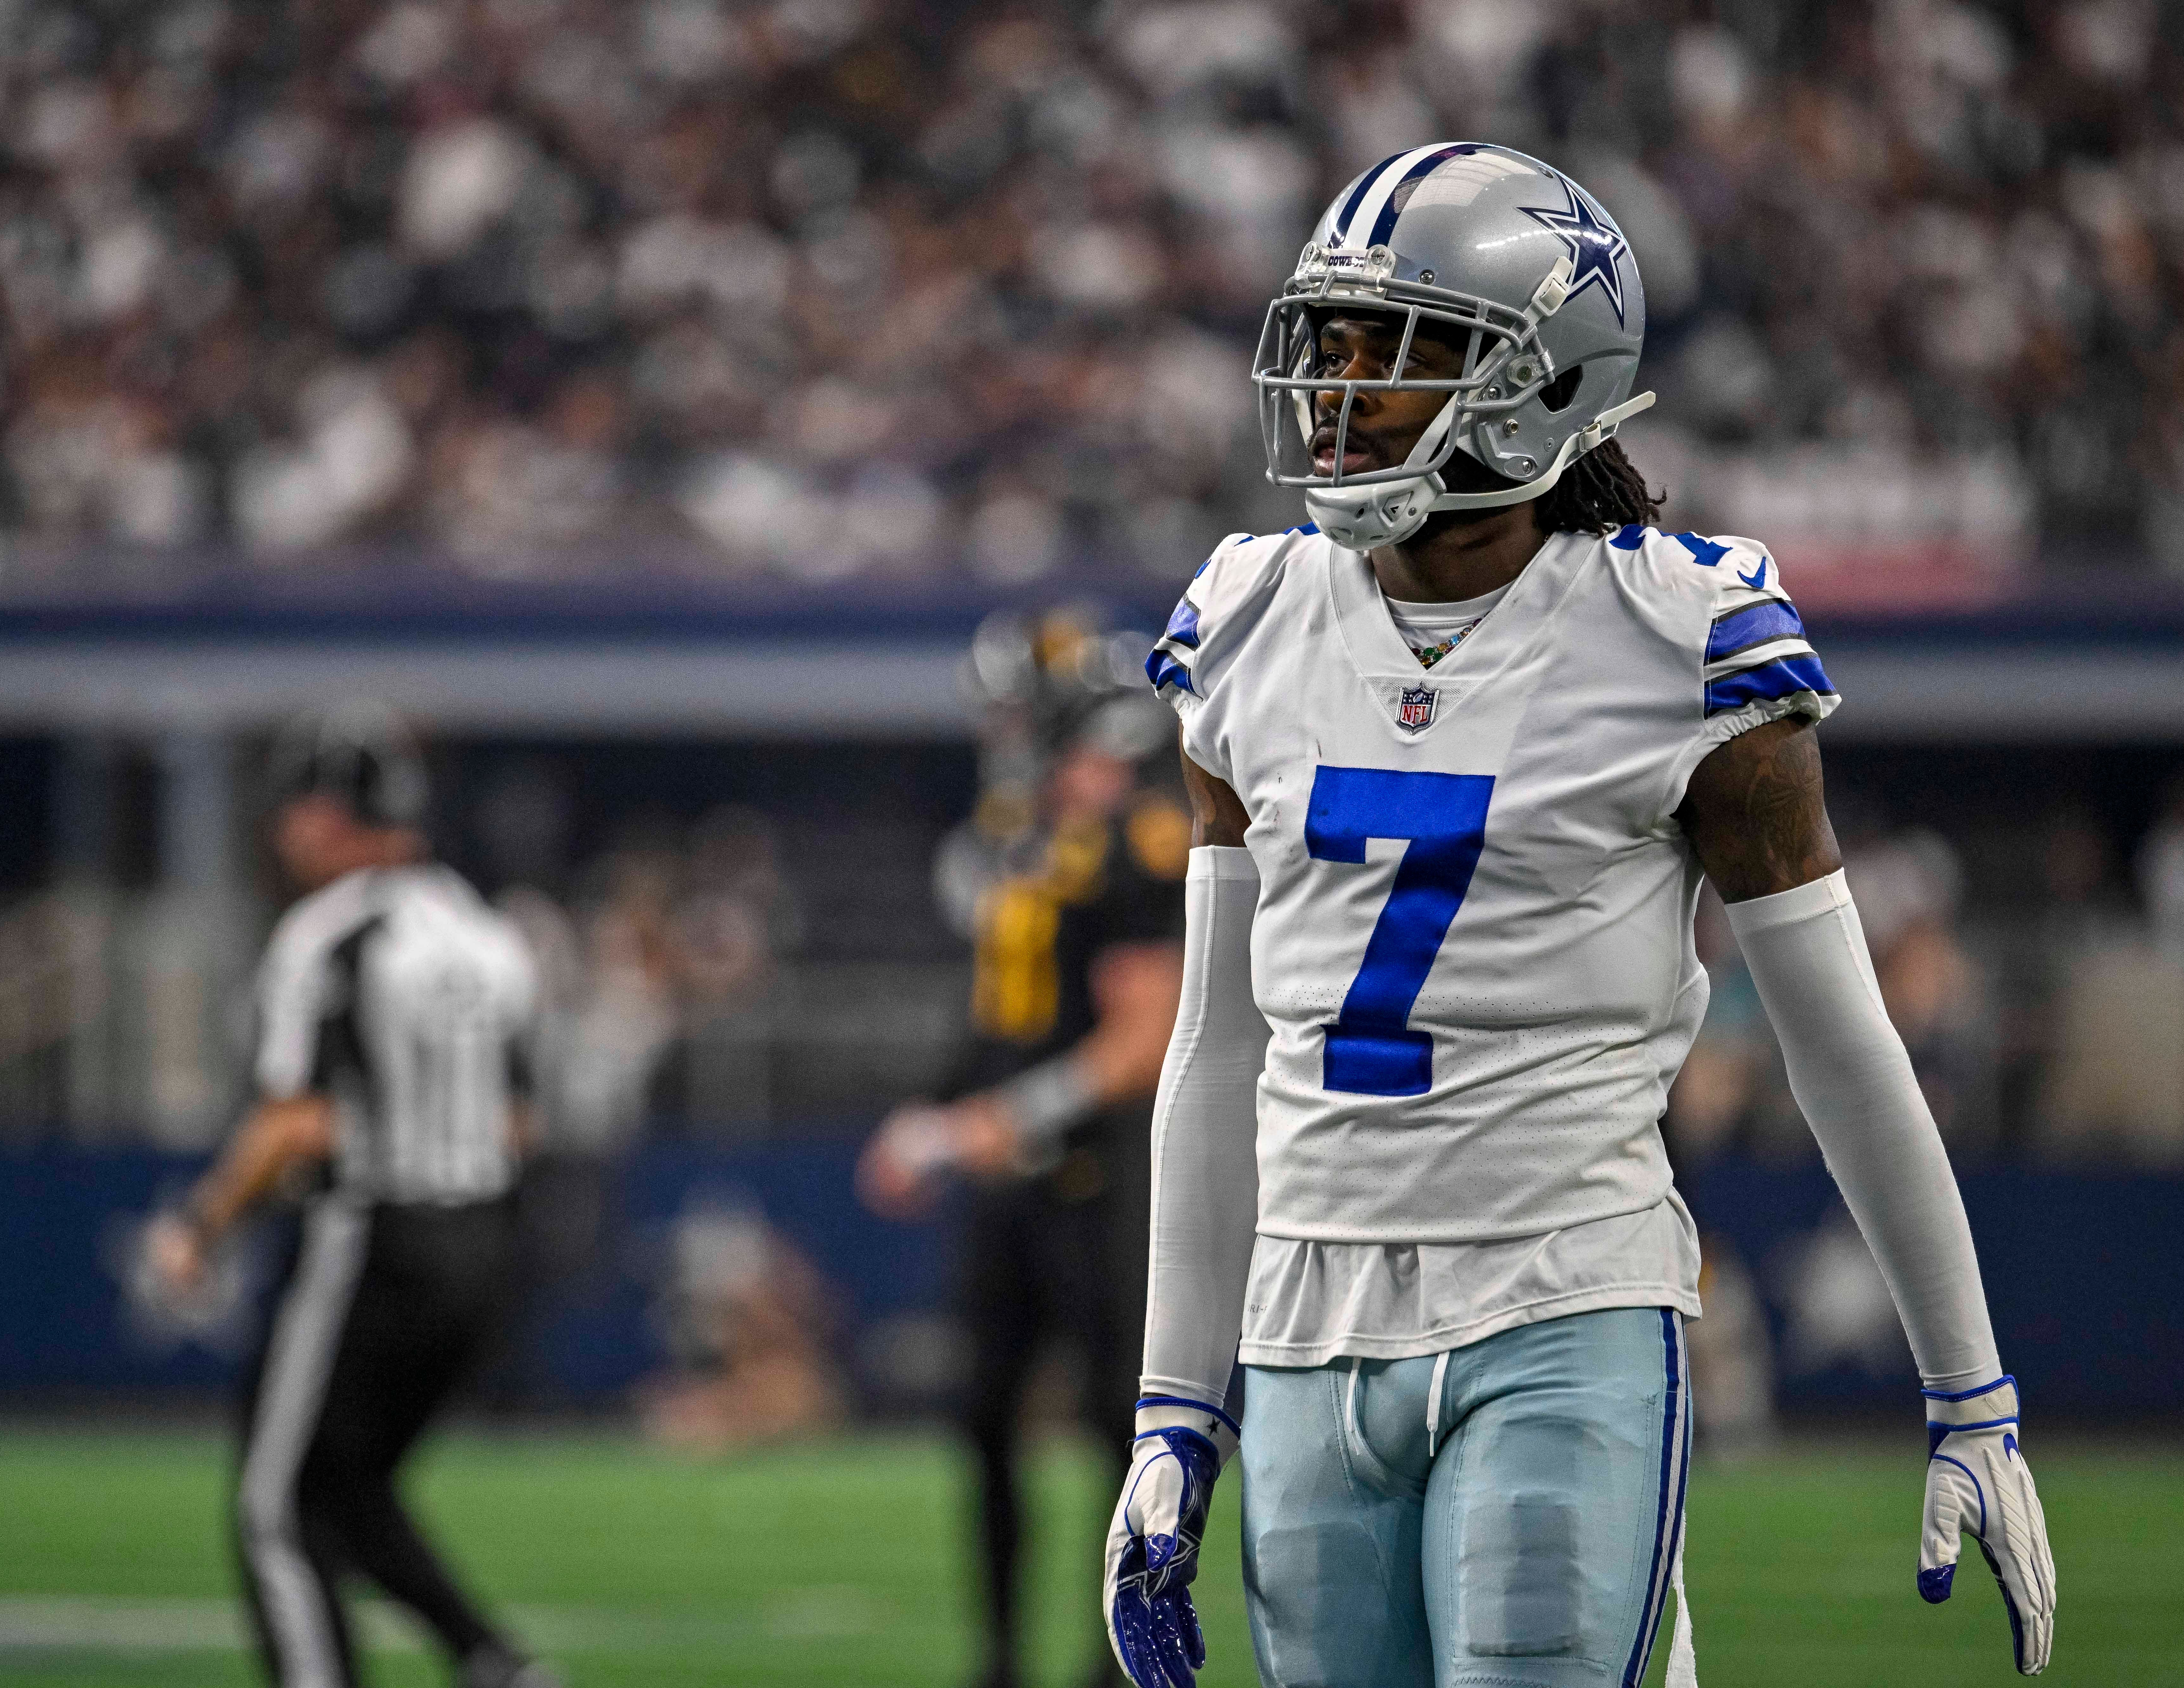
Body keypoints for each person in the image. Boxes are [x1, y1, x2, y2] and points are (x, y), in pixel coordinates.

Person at [1103, 144, 2056, 1688]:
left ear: (1541, 383)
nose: (1338, 395)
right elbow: (1217, 1048)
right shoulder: (1248, 618)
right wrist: (1171, 1402)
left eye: (1396, 353)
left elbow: (1842, 1048)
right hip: (1297, 1318)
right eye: (1330, 347)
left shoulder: (1676, 634)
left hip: (1559, 1293)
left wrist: (1970, 1389)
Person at [143, 704, 559, 1688]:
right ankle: (496, 1664)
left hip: (376, 1239)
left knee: (278, 1509)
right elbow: (521, 1122)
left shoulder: (328, 937)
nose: (284, 831)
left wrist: (200, 1224)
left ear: (331, 814)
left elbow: (297, 1119)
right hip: (484, 1247)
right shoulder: (487, 932)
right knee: (349, 1487)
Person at [859, 613, 1187, 1688]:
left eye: (1014, 717)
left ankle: (1113, 1662)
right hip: (1010, 1190)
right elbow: (998, 1018)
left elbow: (1144, 1034)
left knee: (1114, 1431)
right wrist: (936, 1114)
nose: (1002, 738)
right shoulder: (1022, 842)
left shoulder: (1135, 837)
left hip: (1099, 1175)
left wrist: (1010, 1120)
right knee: (983, 1422)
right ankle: (998, 1659)